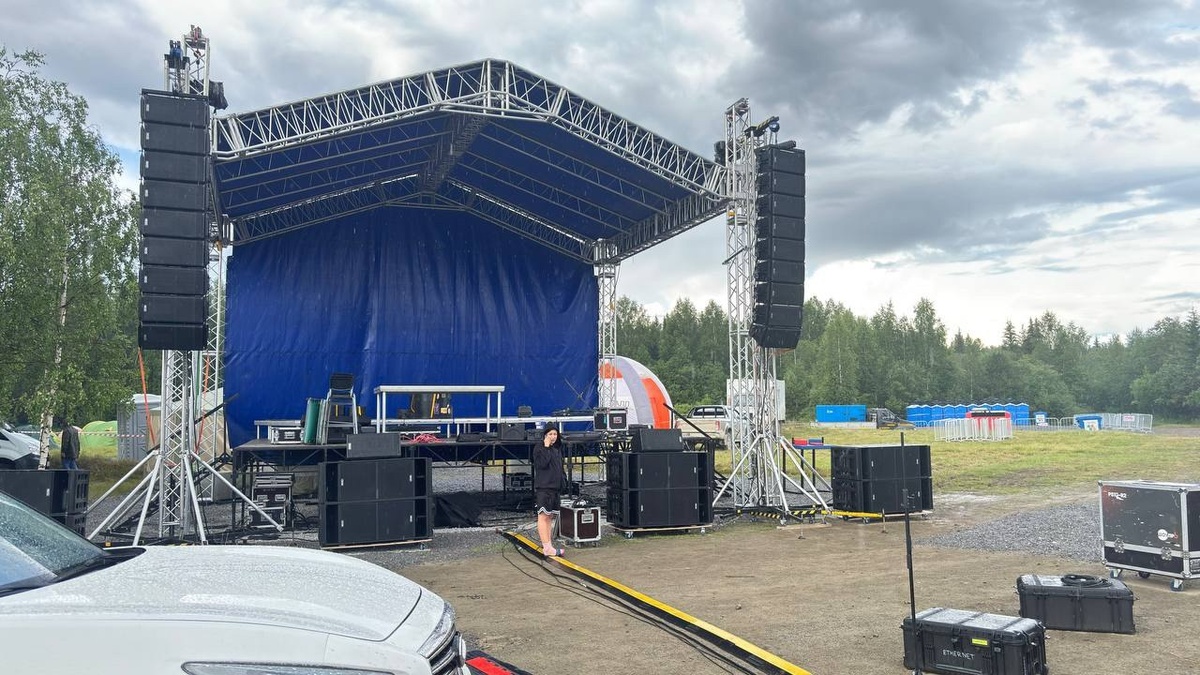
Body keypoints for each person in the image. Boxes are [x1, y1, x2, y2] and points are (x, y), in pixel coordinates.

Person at [532, 423, 567, 557]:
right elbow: (541, 464)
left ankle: (549, 544)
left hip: (555, 487)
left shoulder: (557, 449)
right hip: (544, 487)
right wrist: (546, 447)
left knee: (550, 516)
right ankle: (546, 546)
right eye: (550, 434)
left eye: (555, 434)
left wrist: (563, 481)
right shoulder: (539, 448)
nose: (553, 437)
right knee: (543, 516)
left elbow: (560, 467)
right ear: (545, 435)